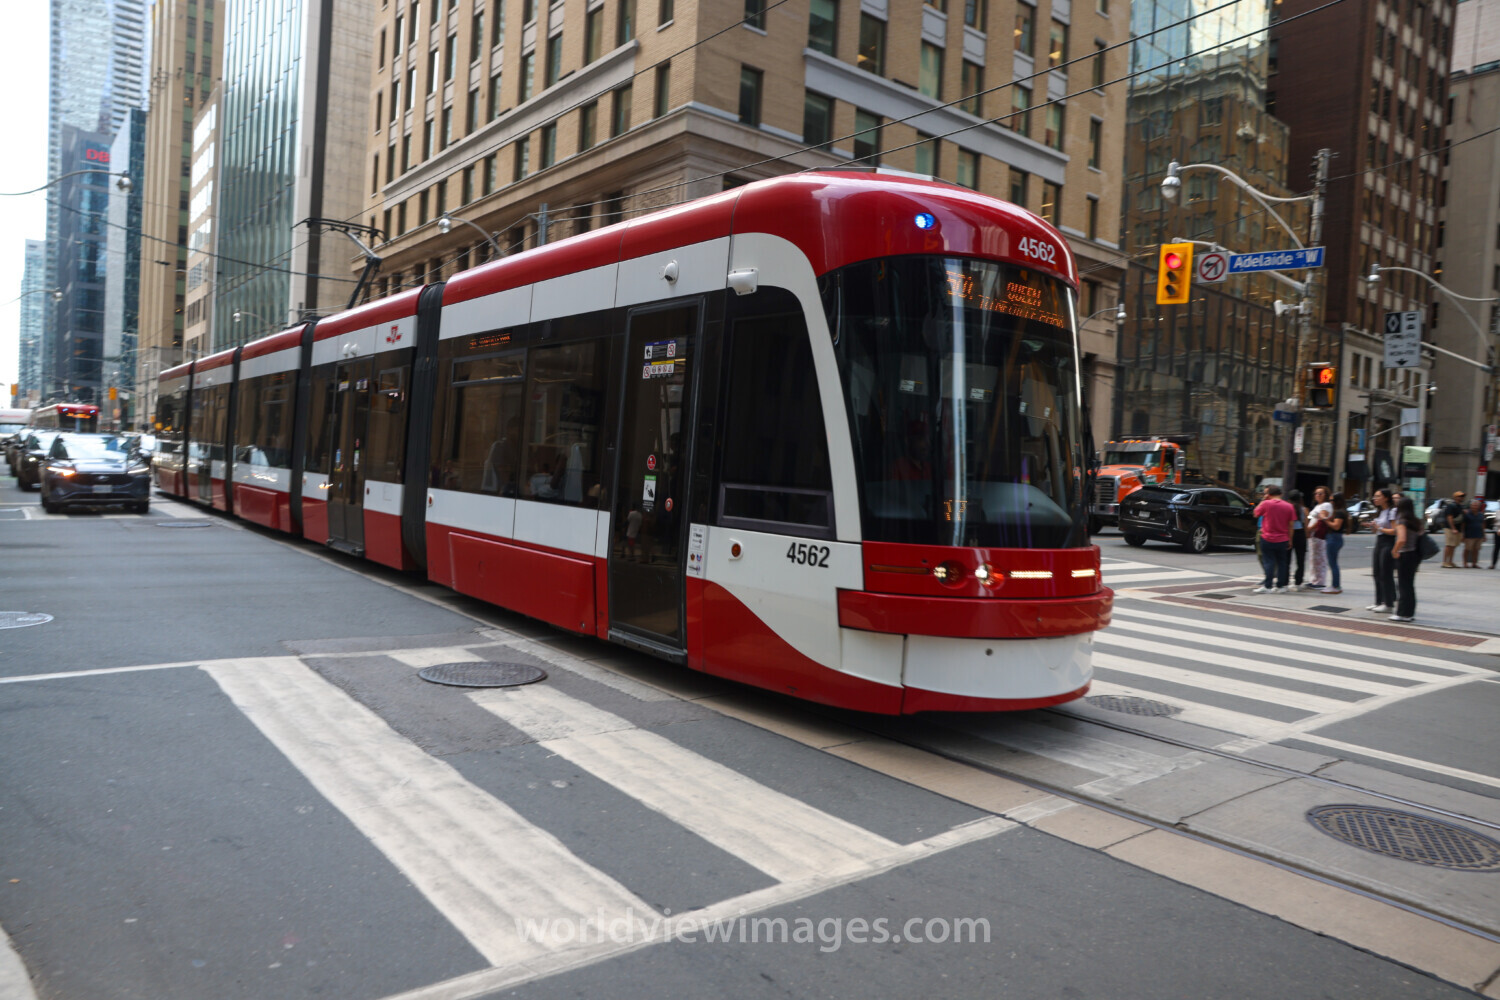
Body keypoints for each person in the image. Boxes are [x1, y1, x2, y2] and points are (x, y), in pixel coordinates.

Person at [1252, 484, 1298, 593]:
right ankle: (1280, 586)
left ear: (1269, 494)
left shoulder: (1266, 504)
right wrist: (1290, 540)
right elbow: (1291, 525)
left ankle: (1267, 586)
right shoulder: (1289, 506)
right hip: (1283, 539)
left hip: (1267, 537)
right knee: (1282, 562)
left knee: (1269, 562)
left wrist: (1263, 500)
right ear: (1280, 494)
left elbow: (1255, 513)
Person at [1391, 496, 1424, 621]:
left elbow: (1402, 539)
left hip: (1404, 554)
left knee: (1403, 585)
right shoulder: (1416, 521)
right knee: (1409, 585)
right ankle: (1409, 613)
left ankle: (1402, 613)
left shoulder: (1402, 521)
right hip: (1415, 554)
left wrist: (1394, 550)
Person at [1368, 488, 1398, 614]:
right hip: (1379, 542)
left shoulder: (1393, 511)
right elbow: (1378, 529)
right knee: (1376, 572)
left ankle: (1388, 603)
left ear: (1386, 498)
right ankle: (1378, 601)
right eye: (1374, 496)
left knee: (1385, 574)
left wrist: (1379, 527)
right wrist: (1374, 527)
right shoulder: (1381, 511)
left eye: (1378, 496)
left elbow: (1394, 530)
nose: (1375, 498)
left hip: (1388, 542)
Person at [1320, 492, 1349, 594]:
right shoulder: (1338, 511)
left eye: (1332, 500)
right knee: (1333, 563)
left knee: (1333, 564)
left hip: (1334, 538)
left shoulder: (1339, 512)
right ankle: (1335, 585)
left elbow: (1336, 526)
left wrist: (1324, 519)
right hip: (1334, 538)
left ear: (1337, 501)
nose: (1330, 502)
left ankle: (1336, 586)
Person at [1306, 485, 1332, 589]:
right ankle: (1314, 579)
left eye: (1321, 493)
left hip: (1318, 534)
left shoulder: (1326, 505)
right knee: (1313, 558)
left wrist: (1310, 528)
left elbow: (1321, 521)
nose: (1318, 495)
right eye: (1316, 493)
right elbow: (1311, 517)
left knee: (1320, 558)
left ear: (1326, 495)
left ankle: (1320, 581)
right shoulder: (1317, 506)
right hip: (1313, 535)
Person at [1286, 489, 1309, 590]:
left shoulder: (1287, 508)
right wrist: (1306, 536)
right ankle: (1298, 582)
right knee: (1300, 560)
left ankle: (1284, 581)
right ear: (1300, 499)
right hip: (1300, 534)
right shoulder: (1304, 509)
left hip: (1288, 534)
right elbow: (1306, 525)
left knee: (1286, 560)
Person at [1440, 490, 1466, 567]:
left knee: (1454, 545)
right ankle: (1445, 562)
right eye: (1460, 496)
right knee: (1449, 545)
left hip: (1458, 528)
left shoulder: (1460, 506)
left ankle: (1450, 561)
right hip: (1450, 528)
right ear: (1455, 497)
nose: (1462, 498)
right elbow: (1449, 517)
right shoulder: (1451, 506)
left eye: (1462, 496)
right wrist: (1453, 528)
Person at [1461, 498, 1486, 568]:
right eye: (1473, 505)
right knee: (1467, 549)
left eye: (1476, 506)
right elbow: (1463, 525)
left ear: (1478, 507)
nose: (1475, 507)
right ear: (1471, 506)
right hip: (1469, 535)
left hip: (1479, 535)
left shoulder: (1481, 515)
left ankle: (1474, 563)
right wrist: (1463, 534)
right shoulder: (1467, 514)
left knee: (1476, 550)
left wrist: (1484, 535)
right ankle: (1465, 563)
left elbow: (1483, 525)